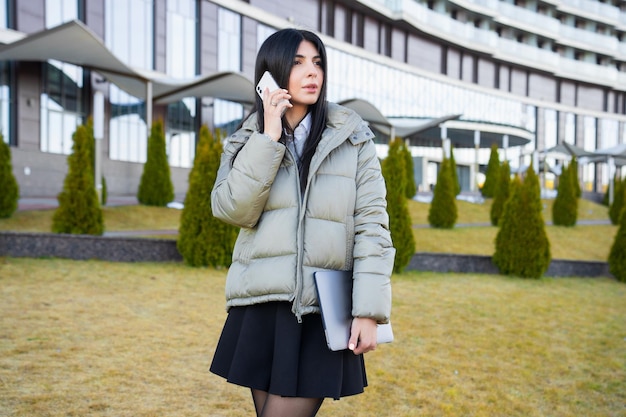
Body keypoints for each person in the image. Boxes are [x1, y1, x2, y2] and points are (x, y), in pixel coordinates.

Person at [210, 28, 395, 417]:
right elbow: (231, 209)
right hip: (262, 305)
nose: (312, 72)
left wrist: (368, 310)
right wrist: (269, 138)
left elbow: (373, 226)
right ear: (272, 74)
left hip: (320, 310)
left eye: (317, 62)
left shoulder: (352, 138)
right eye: (297, 63)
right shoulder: (248, 139)